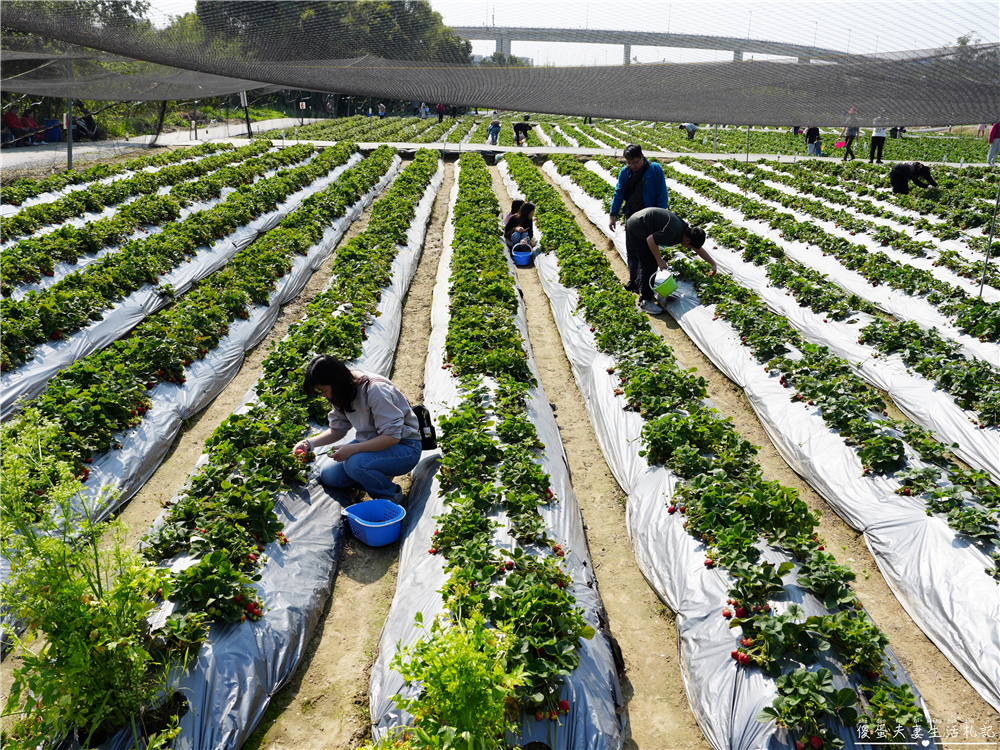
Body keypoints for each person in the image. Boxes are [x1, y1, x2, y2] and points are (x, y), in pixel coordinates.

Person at [295, 355, 422, 505]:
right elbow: (337, 430)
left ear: (335, 381)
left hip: (405, 447)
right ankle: (377, 476)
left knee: (355, 464)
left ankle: (391, 495)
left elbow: (391, 437)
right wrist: (308, 443)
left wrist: (352, 448)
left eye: (323, 390)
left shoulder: (375, 390)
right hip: (373, 443)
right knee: (330, 475)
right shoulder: (341, 392)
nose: (323, 395)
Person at [625, 207, 714, 314]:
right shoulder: (674, 232)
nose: (689, 248)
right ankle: (645, 301)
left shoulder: (685, 230)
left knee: (649, 262)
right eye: (690, 247)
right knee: (650, 264)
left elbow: (697, 248)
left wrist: (712, 263)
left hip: (640, 220)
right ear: (688, 240)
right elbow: (650, 240)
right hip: (638, 225)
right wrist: (659, 260)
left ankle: (642, 290)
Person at [609, 144, 670, 294]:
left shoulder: (655, 170)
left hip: (649, 218)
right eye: (628, 163)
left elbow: (662, 196)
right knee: (632, 250)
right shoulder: (625, 173)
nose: (632, 166)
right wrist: (612, 215)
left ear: (642, 157)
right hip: (631, 216)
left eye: (635, 162)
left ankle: (644, 284)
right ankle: (633, 280)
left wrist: (660, 217)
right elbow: (618, 194)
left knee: (647, 252)